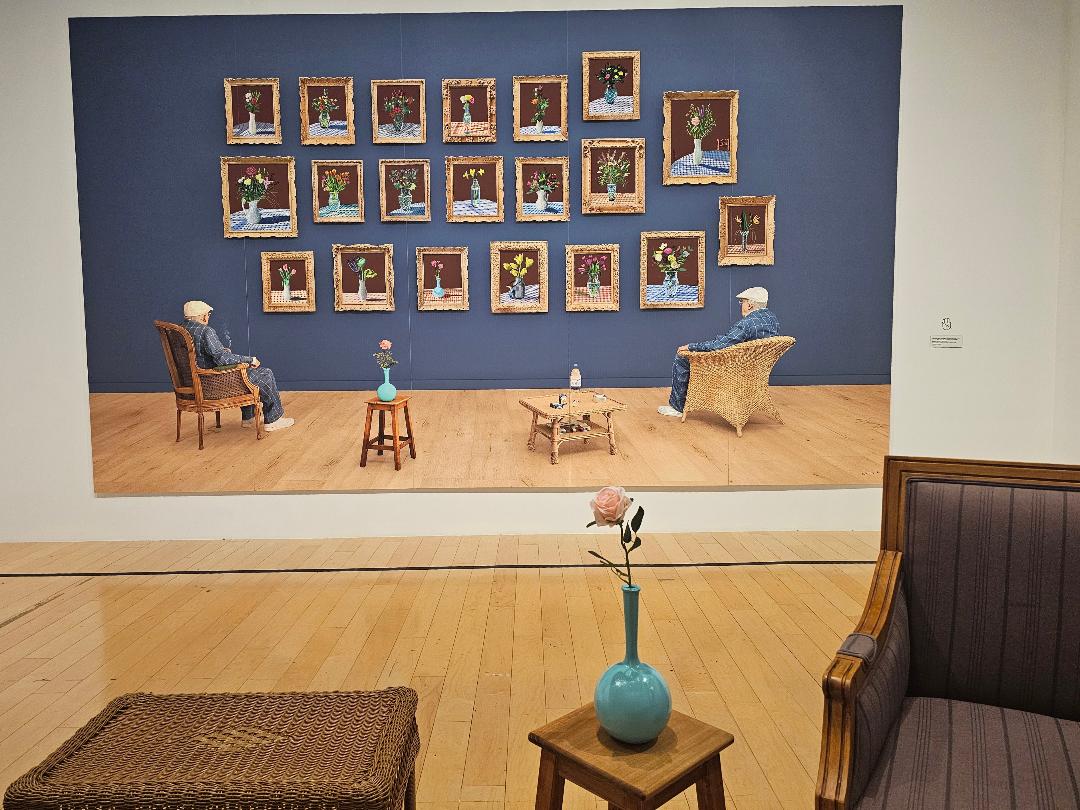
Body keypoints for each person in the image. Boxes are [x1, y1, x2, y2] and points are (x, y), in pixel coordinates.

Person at [658, 286, 780, 418]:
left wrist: (691, 346)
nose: (741, 305)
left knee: (682, 358)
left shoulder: (747, 324)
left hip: (734, 370)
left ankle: (677, 407)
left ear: (750, 305)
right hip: (756, 370)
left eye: (742, 302)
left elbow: (718, 346)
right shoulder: (772, 319)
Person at [181, 300, 294, 432]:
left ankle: (249, 417)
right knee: (265, 374)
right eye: (208, 315)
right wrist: (250, 360)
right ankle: (274, 420)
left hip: (193, 385)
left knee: (245, 372)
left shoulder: (180, 330)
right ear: (203, 316)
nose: (208, 318)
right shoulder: (206, 331)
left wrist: (222, 351)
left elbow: (200, 355)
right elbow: (223, 359)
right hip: (212, 386)